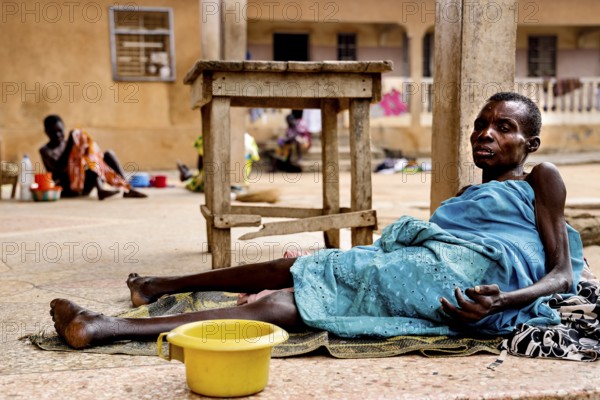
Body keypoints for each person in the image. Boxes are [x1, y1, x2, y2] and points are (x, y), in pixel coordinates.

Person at [49, 92, 585, 349]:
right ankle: (157, 286)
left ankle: (107, 327)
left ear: (530, 144)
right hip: (432, 265)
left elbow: (562, 276)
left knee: (315, 285)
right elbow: (439, 242)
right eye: (481, 124)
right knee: (312, 266)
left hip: (476, 291)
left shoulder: (542, 179)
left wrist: (505, 301)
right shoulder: (467, 193)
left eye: (505, 127)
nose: (487, 134)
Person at [40, 115, 147, 200]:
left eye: (60, 131)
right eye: (53, 132)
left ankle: (128, 189)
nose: (58, 135)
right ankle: (100, 190)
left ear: (64, 128)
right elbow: (58, 168)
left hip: (84, 184)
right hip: (68, 189)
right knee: (92, 167)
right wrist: (70, 145)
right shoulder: (45, 150)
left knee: (107, 155)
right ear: (46, 132)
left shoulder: (70, 143)